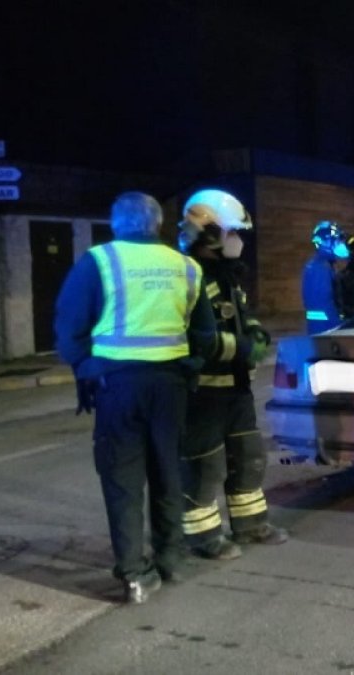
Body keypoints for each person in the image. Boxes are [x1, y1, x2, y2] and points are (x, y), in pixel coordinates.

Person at [54, 191, 215, 603]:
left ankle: (134, 574)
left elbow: (69, 324)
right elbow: (205, 337)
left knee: (123, 479)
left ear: (115, 223)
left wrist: (87, 366)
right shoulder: (186, 266)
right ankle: (172, 559)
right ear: (157, 224)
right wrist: (191, 366)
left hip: (117, 386)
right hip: (170, 386)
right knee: (168, 472)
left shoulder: (99, 261)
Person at [177, 189, 289, 562]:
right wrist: (241, 348)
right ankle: (204, 538)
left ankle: (251, 525)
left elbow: (240, 314)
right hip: (203, 391)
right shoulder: (188, 277)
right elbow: (193, 338)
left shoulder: (227, 276)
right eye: (232, 232)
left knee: (248, 456)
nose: (238, 241)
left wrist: (256, 332)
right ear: (207, 233)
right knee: (204, 466)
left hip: (236, 390)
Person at [302, 220, 348, 334]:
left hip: (323, 326)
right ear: (325, 242)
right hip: (324, 328)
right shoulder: (319, 269)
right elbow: (323, 302)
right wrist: (340, 323)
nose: (340, 244)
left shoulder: (324, 265)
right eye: (337, 240)